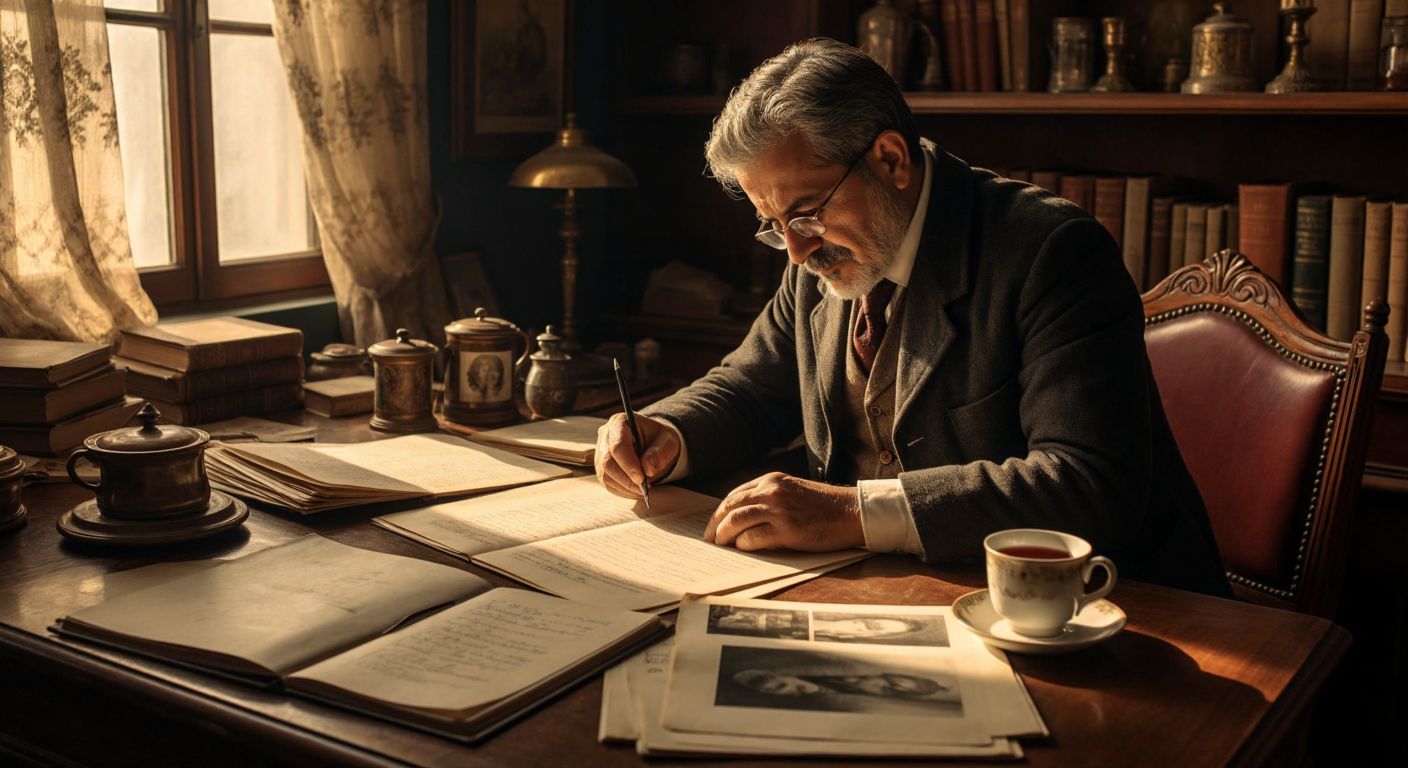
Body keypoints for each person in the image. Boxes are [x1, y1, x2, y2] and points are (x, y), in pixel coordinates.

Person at [594, 38, 1229, 597]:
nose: (794, 249)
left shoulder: (1051, 251)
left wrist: (851, 513)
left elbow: (1087, 484)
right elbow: (749, 390)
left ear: (891, 160)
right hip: (895, 594)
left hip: (1110, 613)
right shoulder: (814, 251)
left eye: (806, 212)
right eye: (773, 224)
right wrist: (665, 433)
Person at [733, 669, 944, 700]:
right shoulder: (825, 670)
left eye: (891, 691)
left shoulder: (847, 699)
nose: (791, 690)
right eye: (892, 683)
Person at [811, 616, 926, 642]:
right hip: (856, 626)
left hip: (857, 630)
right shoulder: (898, 624)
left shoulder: (900, 628)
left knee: (829, 630)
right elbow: (872, 622)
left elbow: (878, 631)